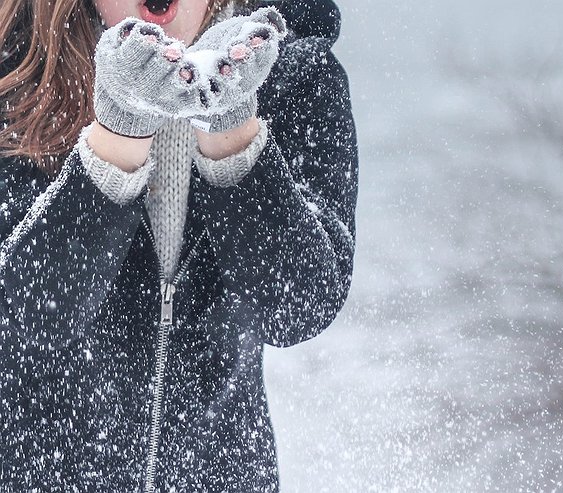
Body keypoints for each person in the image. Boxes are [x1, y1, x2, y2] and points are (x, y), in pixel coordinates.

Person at [0, 0, 357, 490]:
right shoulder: (14, 73)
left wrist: (232, 129)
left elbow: (300, 306)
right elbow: (21, 320)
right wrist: (118, 134)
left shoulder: (295, 75)